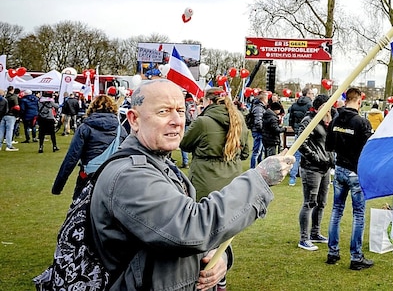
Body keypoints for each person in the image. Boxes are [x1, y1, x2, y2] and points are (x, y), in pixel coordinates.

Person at [89, 79, 294, 290]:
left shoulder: (160, 163)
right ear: (134, 119)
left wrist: (217, 255)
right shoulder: (129, 175)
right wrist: (259, 180)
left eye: (180, 110)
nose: (177, 120)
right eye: (163, 111)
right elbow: (189, 228)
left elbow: (186, 235)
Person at [180, 86, 251, 291]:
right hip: (232, 183)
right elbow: (245, 152)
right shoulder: (238, 119)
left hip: (204, 181)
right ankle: (219, 275)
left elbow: (184, 144)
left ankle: (211, 275)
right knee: (224, 231)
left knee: (203, 231)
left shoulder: (203, 122)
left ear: (208, 101)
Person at [326, 87, 374, 270]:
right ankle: (356, 256)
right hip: (355, 171)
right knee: (358, 215)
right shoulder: (362, 123)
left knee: (336, 211)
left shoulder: (336, 119)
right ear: (359, 101)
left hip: (339, 169)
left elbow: (329, 145)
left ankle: (333, 252)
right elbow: (368, 150)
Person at [52, 95, 128, 200]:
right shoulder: (121, 129)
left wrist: (58, 186)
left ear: (92, 107)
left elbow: (72, 157)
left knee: (80, 209)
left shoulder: (85, 128)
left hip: (88, 176)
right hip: (112, 177)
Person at [296, 94, 335, 251]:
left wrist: (330, 160)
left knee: (321, 202)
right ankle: (304, 238)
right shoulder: (308, 121)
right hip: (311, 168)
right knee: (309, 202)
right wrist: (317, 159)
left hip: (325, 168)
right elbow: (301, 144)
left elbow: (327, 143)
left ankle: (315, 232)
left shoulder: (326, 121)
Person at [287, 88, 315, 185]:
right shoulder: (310, 105)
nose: (313, 95)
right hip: (308, 133)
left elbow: (290, 119)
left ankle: (292, 177)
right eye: (311, 93)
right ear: (307, 94)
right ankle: (307, 177)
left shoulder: (294, 105)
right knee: (309, 155)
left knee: (296, 155)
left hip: (297, 132)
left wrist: (295, 130)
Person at [248, 91, 269, 168]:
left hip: (259, 131)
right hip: (258, 132)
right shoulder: (259, 108)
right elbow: (258, 121)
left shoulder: (259, 107)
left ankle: (259, 167)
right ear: (263, 99)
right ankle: (252, 168)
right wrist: (263, 130)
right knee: (257, 151)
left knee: (260, 151)